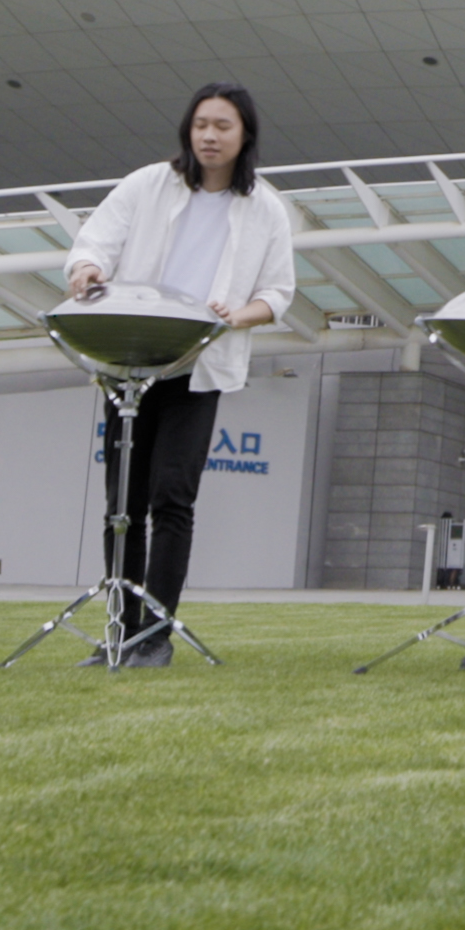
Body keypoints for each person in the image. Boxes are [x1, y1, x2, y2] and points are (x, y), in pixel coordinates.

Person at [62, 83, 298, 667]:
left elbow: (277, 294)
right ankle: (118, 630)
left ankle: (155, 635)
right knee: (122, 504)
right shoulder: (148, 184)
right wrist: (87, 268)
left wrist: (235, 315)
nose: (209, 136)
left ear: (245, 135)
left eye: (222, 126)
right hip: (132, 361)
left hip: (199, 368)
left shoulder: (265, 208)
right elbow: (96, 240)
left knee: (172, 499)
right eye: (200, 125)